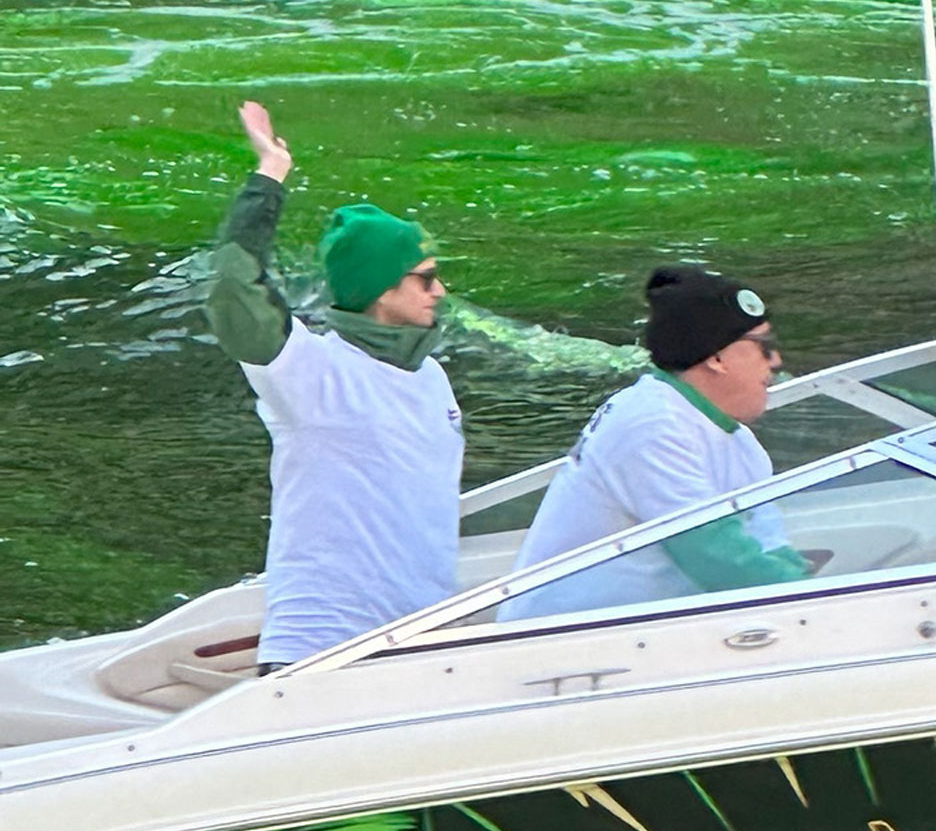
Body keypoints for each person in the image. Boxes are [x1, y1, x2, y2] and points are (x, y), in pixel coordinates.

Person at [207, 100, 463, 673]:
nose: (440, 291)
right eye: (424, 278)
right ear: (380, 289)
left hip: (421, 647)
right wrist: (270, 173)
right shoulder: (310, 372)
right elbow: (233, 284)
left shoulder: (432, 376)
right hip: (321, 653)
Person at [502, 265, 809, 620]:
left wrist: (803, 586)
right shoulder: (652, 425)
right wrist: (813, 607)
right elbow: (716, 555)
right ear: (717, 357)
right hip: (561, 636)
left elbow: (768, 545)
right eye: (763, 347)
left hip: (640, 629)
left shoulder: (740, 442)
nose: (776, 361)